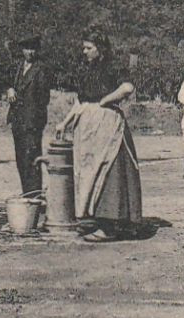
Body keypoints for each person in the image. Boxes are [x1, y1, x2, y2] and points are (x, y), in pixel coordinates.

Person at [52, 31, 143, 242]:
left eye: (89, 48)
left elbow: (127, 87)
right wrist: (64, 123)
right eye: (84, 48)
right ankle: (96, 219)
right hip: (87, 127)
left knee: (109, 170)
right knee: (88, 172)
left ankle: (111, 226)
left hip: (107, 126)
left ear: (100, 49)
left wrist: (105, 100)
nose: (85, 52)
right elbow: (80, 102)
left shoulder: (112, 66)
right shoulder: (86, 70)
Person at [5, 35, 53, 195]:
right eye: (27, 49)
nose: (30, 52)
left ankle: (34, 197)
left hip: (32, 123)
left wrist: (36, 123)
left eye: (33, 49)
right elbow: (9, 83)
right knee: (21, 160)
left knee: (32, 160)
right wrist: (9, 89)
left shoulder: (41, 69)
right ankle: (27, 194)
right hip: (17, 121)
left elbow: (44, 100)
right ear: (22, 50)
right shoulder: (18, 66)